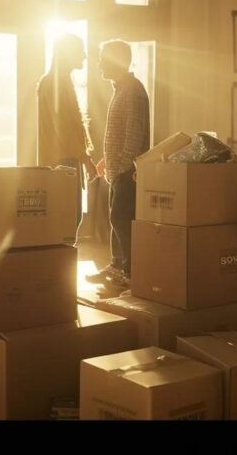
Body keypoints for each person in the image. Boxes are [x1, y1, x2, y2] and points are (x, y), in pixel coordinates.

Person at [85, 39, 149, 289]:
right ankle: (117, 264)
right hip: (117, 169)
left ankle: (131, 273)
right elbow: (120, 133)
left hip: (127, 172)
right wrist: (106, 161)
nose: (98, 63)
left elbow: (133, 136)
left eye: (102, 58)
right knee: (116, 219)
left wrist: (122, 167)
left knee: (122, 220)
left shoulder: (133, 90)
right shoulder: (122, 88)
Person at [37, 33, 95, 232]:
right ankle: (62, 263)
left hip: (65, 159)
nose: (85, 56)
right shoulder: (54, 83)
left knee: (69, 218)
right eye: (80, 51)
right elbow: (64, 128)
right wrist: (85, 159)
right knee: (67, 219)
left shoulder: (61, 81)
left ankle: (63, 262)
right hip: (60, 161)